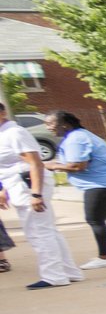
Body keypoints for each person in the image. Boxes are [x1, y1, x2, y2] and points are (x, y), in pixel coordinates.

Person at [43, 110, 106, 265]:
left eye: (50, 123)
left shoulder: (76, 139)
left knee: (95, 220)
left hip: (101, 185)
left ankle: (104, 258)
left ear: (65, 124)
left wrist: (52, 166)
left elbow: (78, 166)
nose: (47, 127)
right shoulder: (80, 135)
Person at [0, 112, 81, 288]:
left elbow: (35, 163)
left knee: (39, 233)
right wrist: (5, 190)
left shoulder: (14, 133)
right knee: (48, 230)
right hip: (19, 184)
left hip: (29, 186)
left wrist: (36, 194)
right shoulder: (4, 133)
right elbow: (13, 165)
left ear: (2, 113)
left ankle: (54, 276)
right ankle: (69, 272)